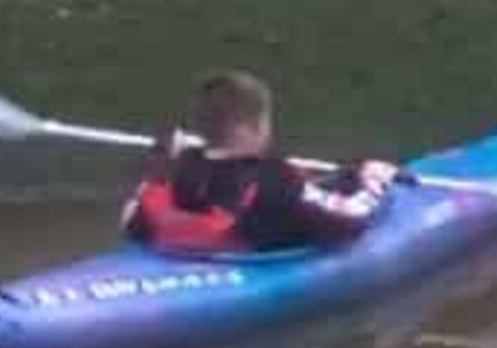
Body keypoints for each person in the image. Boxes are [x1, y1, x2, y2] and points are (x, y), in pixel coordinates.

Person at [121, 69, 400, 252]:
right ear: (247, 129)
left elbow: (131, 225)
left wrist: (161, 161)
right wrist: (375, 183)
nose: (269, 131)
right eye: (265, 122)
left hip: (187, 257)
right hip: (241, 260)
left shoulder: (169, 171)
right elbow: (350, 221)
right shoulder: (274, 179)